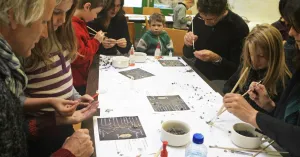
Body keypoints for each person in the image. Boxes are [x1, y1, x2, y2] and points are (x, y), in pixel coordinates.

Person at [0, 0, 94, 156]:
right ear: (13, 15)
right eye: (44, 20)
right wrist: (68, 153)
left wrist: (58, 116)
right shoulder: (15, 63)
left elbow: (17, 129)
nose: (44, 33)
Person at [223, 0, 300, 155]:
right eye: (250, 56)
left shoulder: (284, 78)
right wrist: (269, 106)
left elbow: (292, 136)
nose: (290, 32)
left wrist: (253, 115)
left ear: (274, 55)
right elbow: (285, 119)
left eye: (261, 56)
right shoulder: (248, 67)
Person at [223, 24, 292, 114]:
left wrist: (269, 106)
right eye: (251, 54)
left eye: (261, 56)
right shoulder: (248, 65)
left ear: (275, 55)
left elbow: (280, 119)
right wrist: (232, 97)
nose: (255, 61)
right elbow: (228, 86)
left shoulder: (284, 81)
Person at [183, 0, 249, 80]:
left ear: (222, 12)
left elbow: (238, 69)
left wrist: (217, 59)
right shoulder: (198, 18)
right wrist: (188, 44)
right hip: (197, 72)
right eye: (202, 18)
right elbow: (187, 54)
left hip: (222, 80)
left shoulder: (238, 27)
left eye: (210, 19)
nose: (205, 23)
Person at [72, 0, 106, 95]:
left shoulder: (80, 24)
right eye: (96, 13)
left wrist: (94, 40)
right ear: (87, 7)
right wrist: (96, 41)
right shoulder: (74, 26)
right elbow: (80, 56)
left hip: (81, 77)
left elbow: (83, 44)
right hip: (77, 81)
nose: (95, 17)